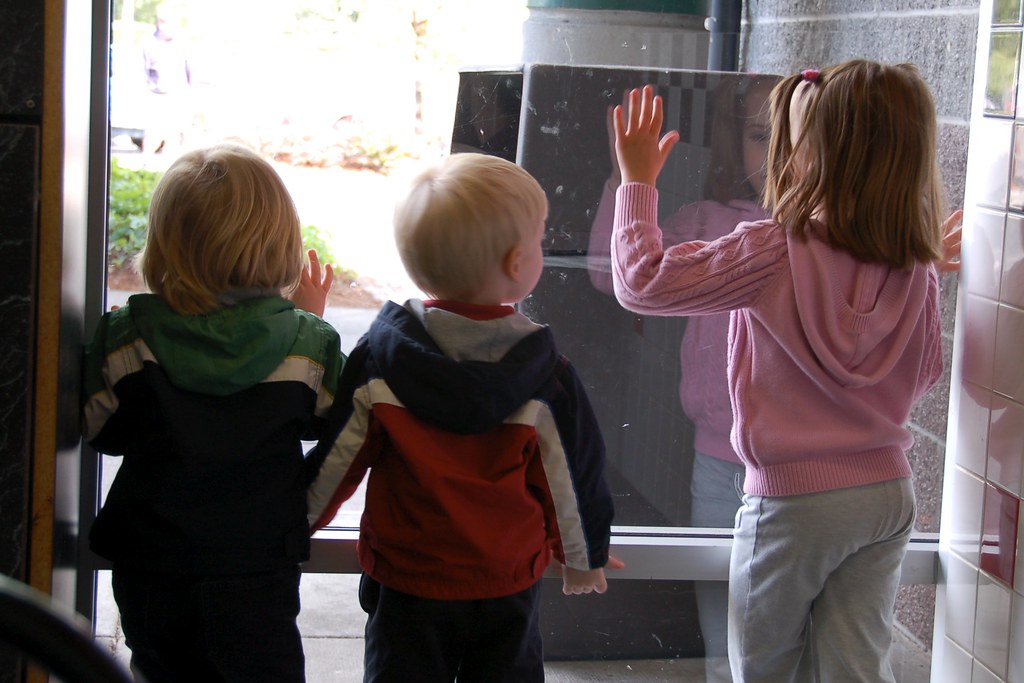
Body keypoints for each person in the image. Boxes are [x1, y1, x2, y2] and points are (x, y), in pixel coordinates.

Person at [607, 61, 962, 682]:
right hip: (886, 495)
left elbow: (642, 282)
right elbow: (925, 372)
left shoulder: (773, 248)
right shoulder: (917, 264)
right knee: (856, 667)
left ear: (811, 155)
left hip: (793, 501)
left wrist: (636, 182)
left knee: (763, 668)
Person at [305, 152, 619, 683]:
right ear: (518, 264)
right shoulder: (546, 377)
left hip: (407, 577)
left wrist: (294, 525)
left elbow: (338, 457)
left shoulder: (381, 362)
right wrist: (584, 555)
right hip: (506, 581)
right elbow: (572, 475)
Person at [81, 143, 342, 683]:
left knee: (161, 669)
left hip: (151, 559)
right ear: (281, 245)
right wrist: (305, 321)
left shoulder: (128, 337)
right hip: (257, 563)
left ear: (163, 247)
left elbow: (100, 430)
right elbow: (330, 425)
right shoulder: (305, 346)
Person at [587, 74, 778, 682]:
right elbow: (609, 274)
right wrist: (626, 181)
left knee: (780, 613)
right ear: (734, 144)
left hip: (796, 463)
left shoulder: (828, 229)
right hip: (719, 456)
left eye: (791, 135)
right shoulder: (705, 220)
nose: (774, 152)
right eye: (758, 135)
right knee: (719, 602)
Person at [140, 6, 193, 153]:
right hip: (156, 95)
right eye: (163, 22)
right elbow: (142, 71)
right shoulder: (149, 42)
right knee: (152, 134)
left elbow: (190, 70)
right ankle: (146, 165)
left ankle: (171, 168)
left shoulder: (182, 42)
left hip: (177, 95)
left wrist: (190, 95)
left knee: (174, 136)